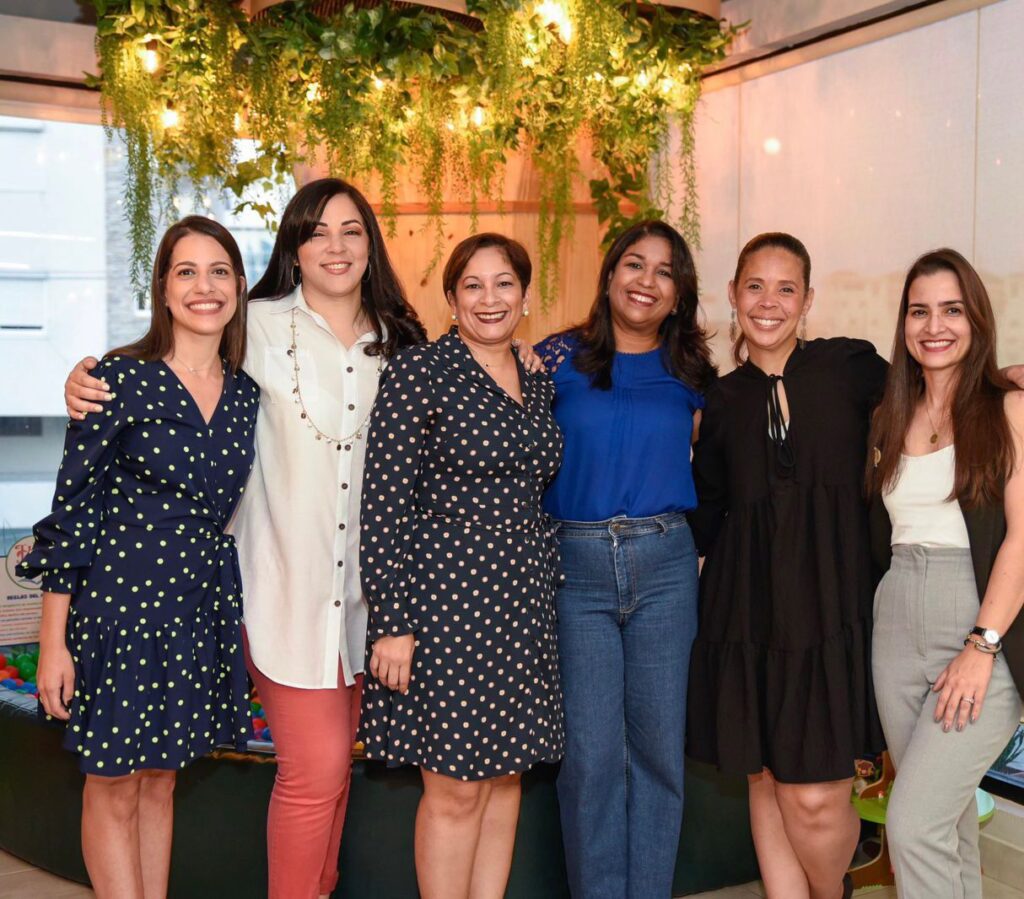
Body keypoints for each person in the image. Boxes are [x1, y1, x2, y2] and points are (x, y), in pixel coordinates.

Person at [62, 178, 427, 899]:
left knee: (335, 779)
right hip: (282, 596)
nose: (335, 245)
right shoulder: (253, 324)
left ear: (371, 244)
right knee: (314, 773)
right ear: (293, 244)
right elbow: (166, 368)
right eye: (316, 230)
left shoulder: (403, 343)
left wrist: (542, 359)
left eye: (351, 230)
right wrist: (82, 378)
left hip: (369, 603)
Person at [19, 216, 258, 899]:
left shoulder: (247, 394)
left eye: (219, 271)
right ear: (162, 286)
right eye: (186, 270)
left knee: (161, 780)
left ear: (240, 287)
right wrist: (53, 639)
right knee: (113, 783)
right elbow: (74, 514)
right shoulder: (117, 379)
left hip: (195, 612)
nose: (203, 286)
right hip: (118, 612)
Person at [358, 233, 564, 899]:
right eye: (472, 285)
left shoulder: (537, 380)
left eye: (504, 283)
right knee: (453, 787)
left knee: (505, 780)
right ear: (450, 299)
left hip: (522, 602)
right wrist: (392, 623)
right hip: (446, 606)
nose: (489, 298)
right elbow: (382, 504)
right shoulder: (418, 373)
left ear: (525, 296)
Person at [687, 233, 886, 899]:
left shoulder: (850, 368)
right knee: (764, 778)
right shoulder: (720, 399)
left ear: (807, 300)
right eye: (755, 286)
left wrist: (1001, 380)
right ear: (733, 296)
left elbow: (930, 393)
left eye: (786, 288)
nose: (768, 302)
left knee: (817, 798)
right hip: (744, 612)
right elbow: (708, 511)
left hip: (830, 608)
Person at [535, 220, 715, 899]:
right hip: (575, 565)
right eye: (633, 265)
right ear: (609, 276)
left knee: (659, 755)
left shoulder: (693, 374)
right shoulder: (555, 360)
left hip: (666, 565)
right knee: (590, 758)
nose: (646, 280)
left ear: (679, 293)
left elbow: (715, 468)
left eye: (664, 271)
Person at [866, 248, 1024, 899]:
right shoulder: (889, 415)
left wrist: (980, 645)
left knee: (911, 822)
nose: (935, 325)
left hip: (979, 621)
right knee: (947, 822)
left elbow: (1022, 535)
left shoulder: (1007, 408)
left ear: (977, 319)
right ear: (904, 323)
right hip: (895, 621)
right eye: (920, 310)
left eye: (952, 309)